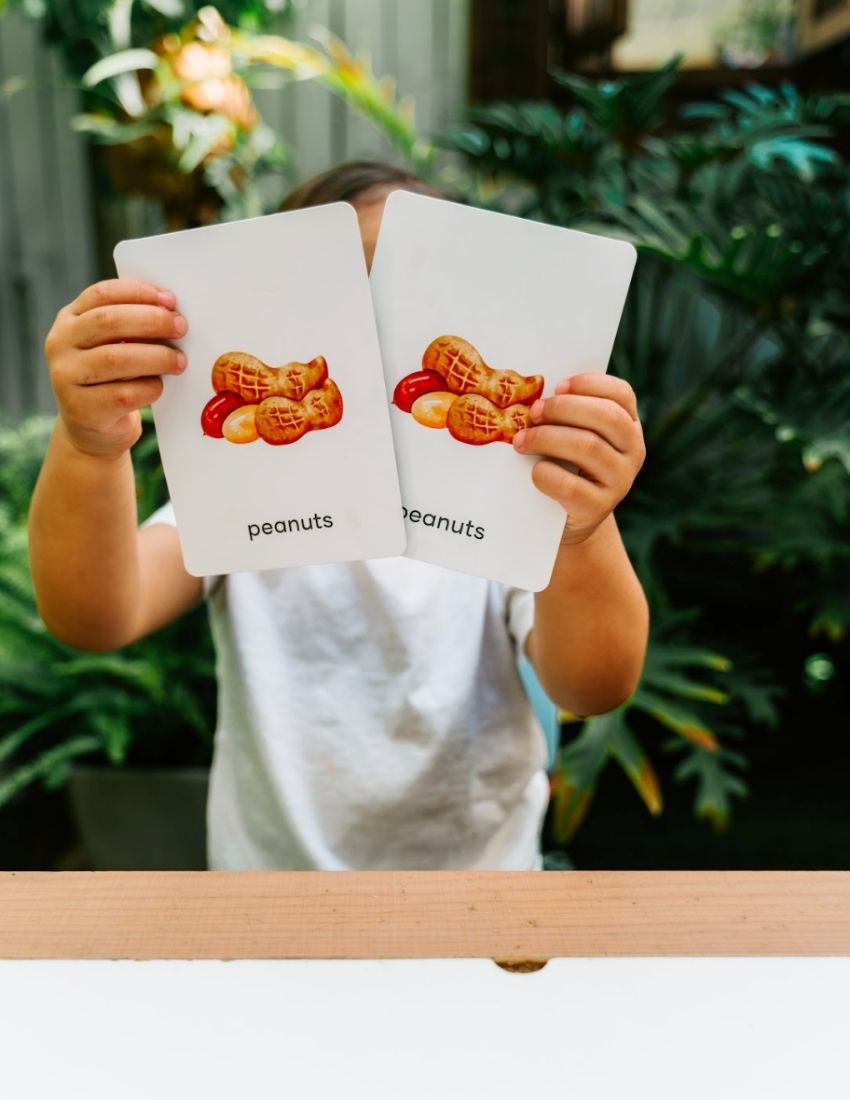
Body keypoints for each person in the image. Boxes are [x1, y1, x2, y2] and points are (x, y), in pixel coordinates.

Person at [29, 161, 648, 871]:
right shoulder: (244, 497)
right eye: (350, 295)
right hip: (272, 916)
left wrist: (582, 527)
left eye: (412, 293)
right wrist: (89, 444)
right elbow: (95, 614)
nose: (378, 331)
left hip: (475, 914)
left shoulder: (507, 500)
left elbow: (594, 682)